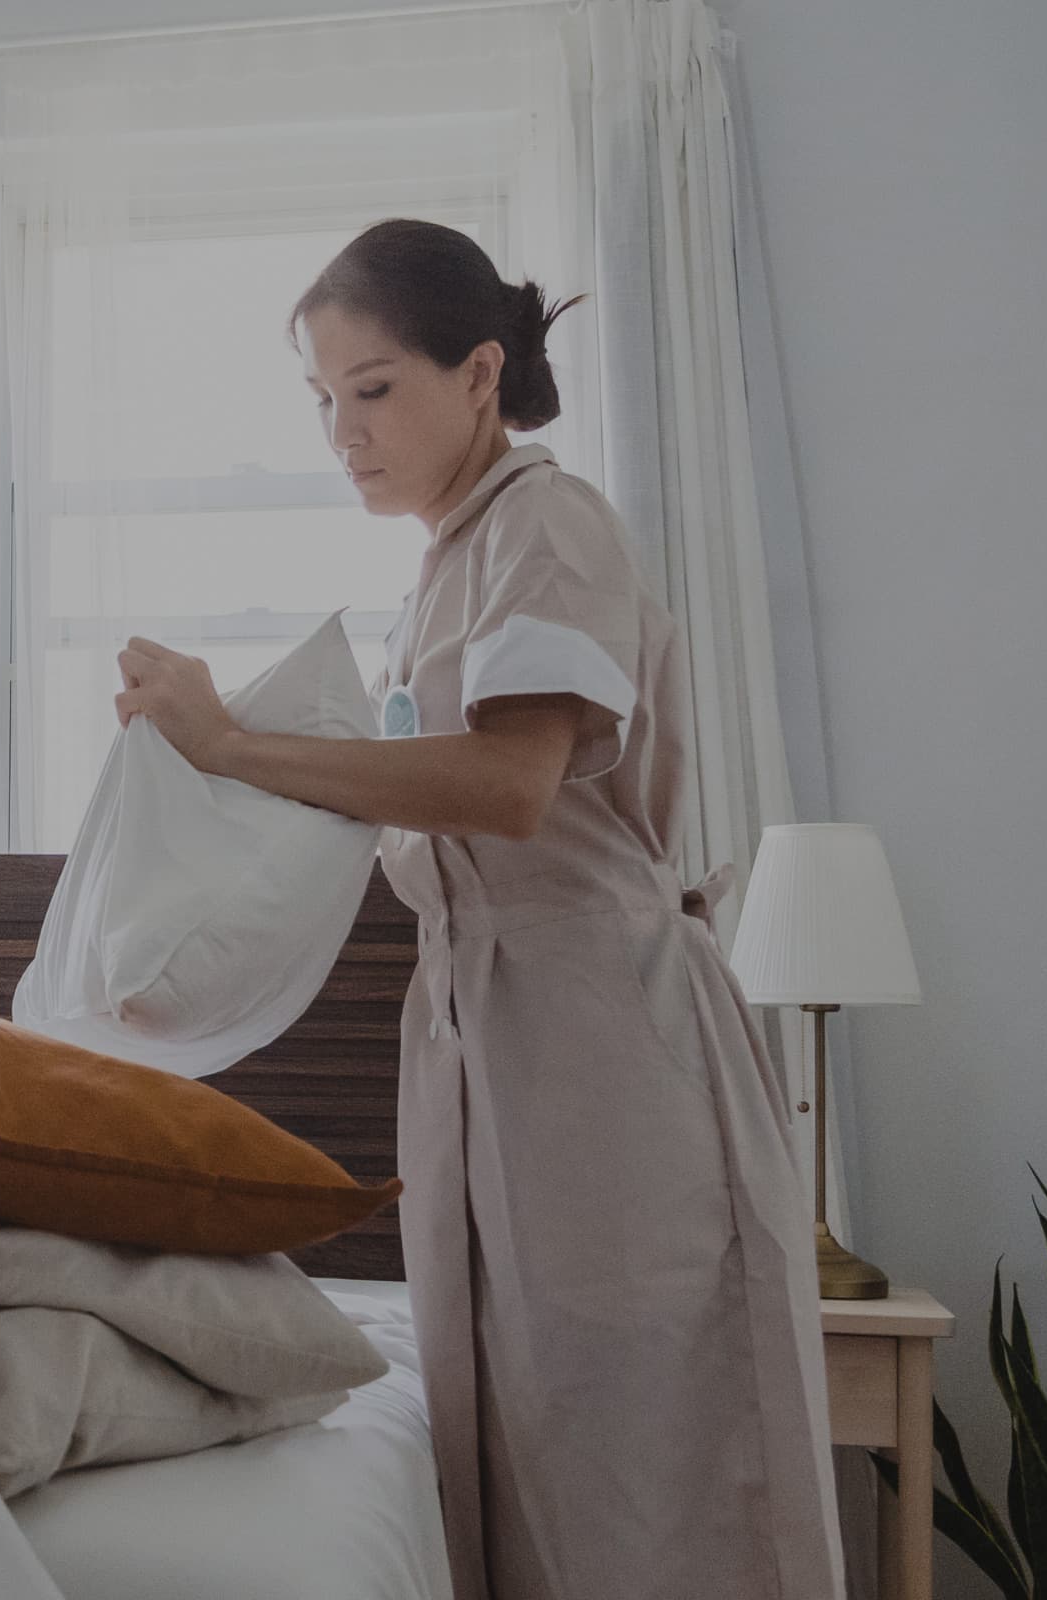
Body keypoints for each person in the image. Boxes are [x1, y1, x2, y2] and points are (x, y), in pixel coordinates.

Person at [112, 221, 839, 1599]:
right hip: (482, 1029)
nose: (343, 432)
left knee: (646, 1451)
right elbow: (394, 814)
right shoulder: (448, 564)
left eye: (374, 389)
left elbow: (508, 786)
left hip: (601, 1031)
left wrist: (233, 746)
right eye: (322, 400)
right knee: (527, 1433)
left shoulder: (546, 526)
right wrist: (173, 969)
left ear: (481, 374)